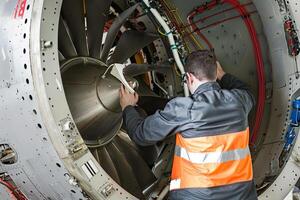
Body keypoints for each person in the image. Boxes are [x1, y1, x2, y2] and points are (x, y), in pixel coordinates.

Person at [119, 50, 258, 200]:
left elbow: (140, 134)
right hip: (242, 195)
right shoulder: (239, 101)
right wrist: (222, 75)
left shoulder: (183, 109)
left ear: (189, 78)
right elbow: (247, 91)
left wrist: (128, 107)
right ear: (214, 73)